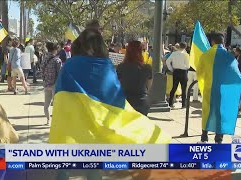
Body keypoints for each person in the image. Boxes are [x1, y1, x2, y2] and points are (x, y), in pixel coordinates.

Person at [49, 29, 170, 180]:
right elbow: (114, 95)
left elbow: (59, 95)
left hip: (69, 123)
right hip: (95, 126)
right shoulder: (105, 66)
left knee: (64, 166)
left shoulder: (69, 65)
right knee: (93, 166)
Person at [198, 33, 241, 144]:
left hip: (209, 89)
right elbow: (236, 75)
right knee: (221, 113)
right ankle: (219, 139)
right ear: (223, 42)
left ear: (212, 42)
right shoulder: (229, 56)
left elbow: (199, 73)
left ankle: (204, 138)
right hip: (224, 91)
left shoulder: (205, 55)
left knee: (207, 112)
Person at [117, 41, 153, 115]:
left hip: (125, 102)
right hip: (142, 102)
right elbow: (149, 87)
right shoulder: (147, 68)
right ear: (140, 52)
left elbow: (118, 85)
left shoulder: (121, 67)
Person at [41, 42, 62, 124]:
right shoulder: (57, 60)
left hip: (46, 84)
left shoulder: (44, 59)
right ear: (55, 50)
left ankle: (48, 121)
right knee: (56, 104)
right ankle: (56, 121)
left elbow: (42, 71)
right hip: (55, 84)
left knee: (46, 104)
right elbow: (60, 73)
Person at [166, 42, 190, 108]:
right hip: (183, 72)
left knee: (174, 87)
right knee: (184, 89)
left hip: (176, 71)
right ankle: (183, 104)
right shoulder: (186, 55)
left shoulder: (174, 54)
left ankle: (170, 103)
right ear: (185, 47)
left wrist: (171, 69)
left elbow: (167, 61)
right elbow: (188, 65)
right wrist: (185, 67)